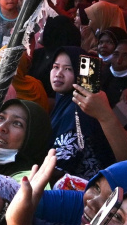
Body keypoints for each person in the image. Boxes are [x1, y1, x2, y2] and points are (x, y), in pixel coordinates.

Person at [47, 47, 117, 179]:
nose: (58, 74)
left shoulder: (80, 108)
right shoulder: (63, 98)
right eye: (55, 67)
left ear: (81, 74)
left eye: (68, 69)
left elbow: (61, 164)